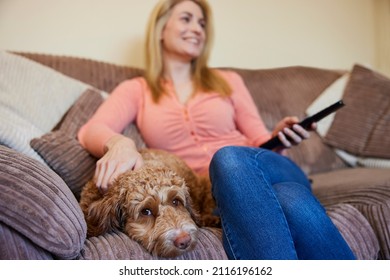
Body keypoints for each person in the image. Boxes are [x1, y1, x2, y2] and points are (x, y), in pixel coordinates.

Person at [78, 0, 355, 260]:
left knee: (227, 158)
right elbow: (91, 129)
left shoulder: (227, 81)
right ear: (161, 29)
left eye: (202, 24)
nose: (197, 29)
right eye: (187, 19)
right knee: (292, 202)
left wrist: (279, 137)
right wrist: (120, 143)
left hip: (262, 167)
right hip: (219, 194)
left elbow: (259, 139)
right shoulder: (137, 90)